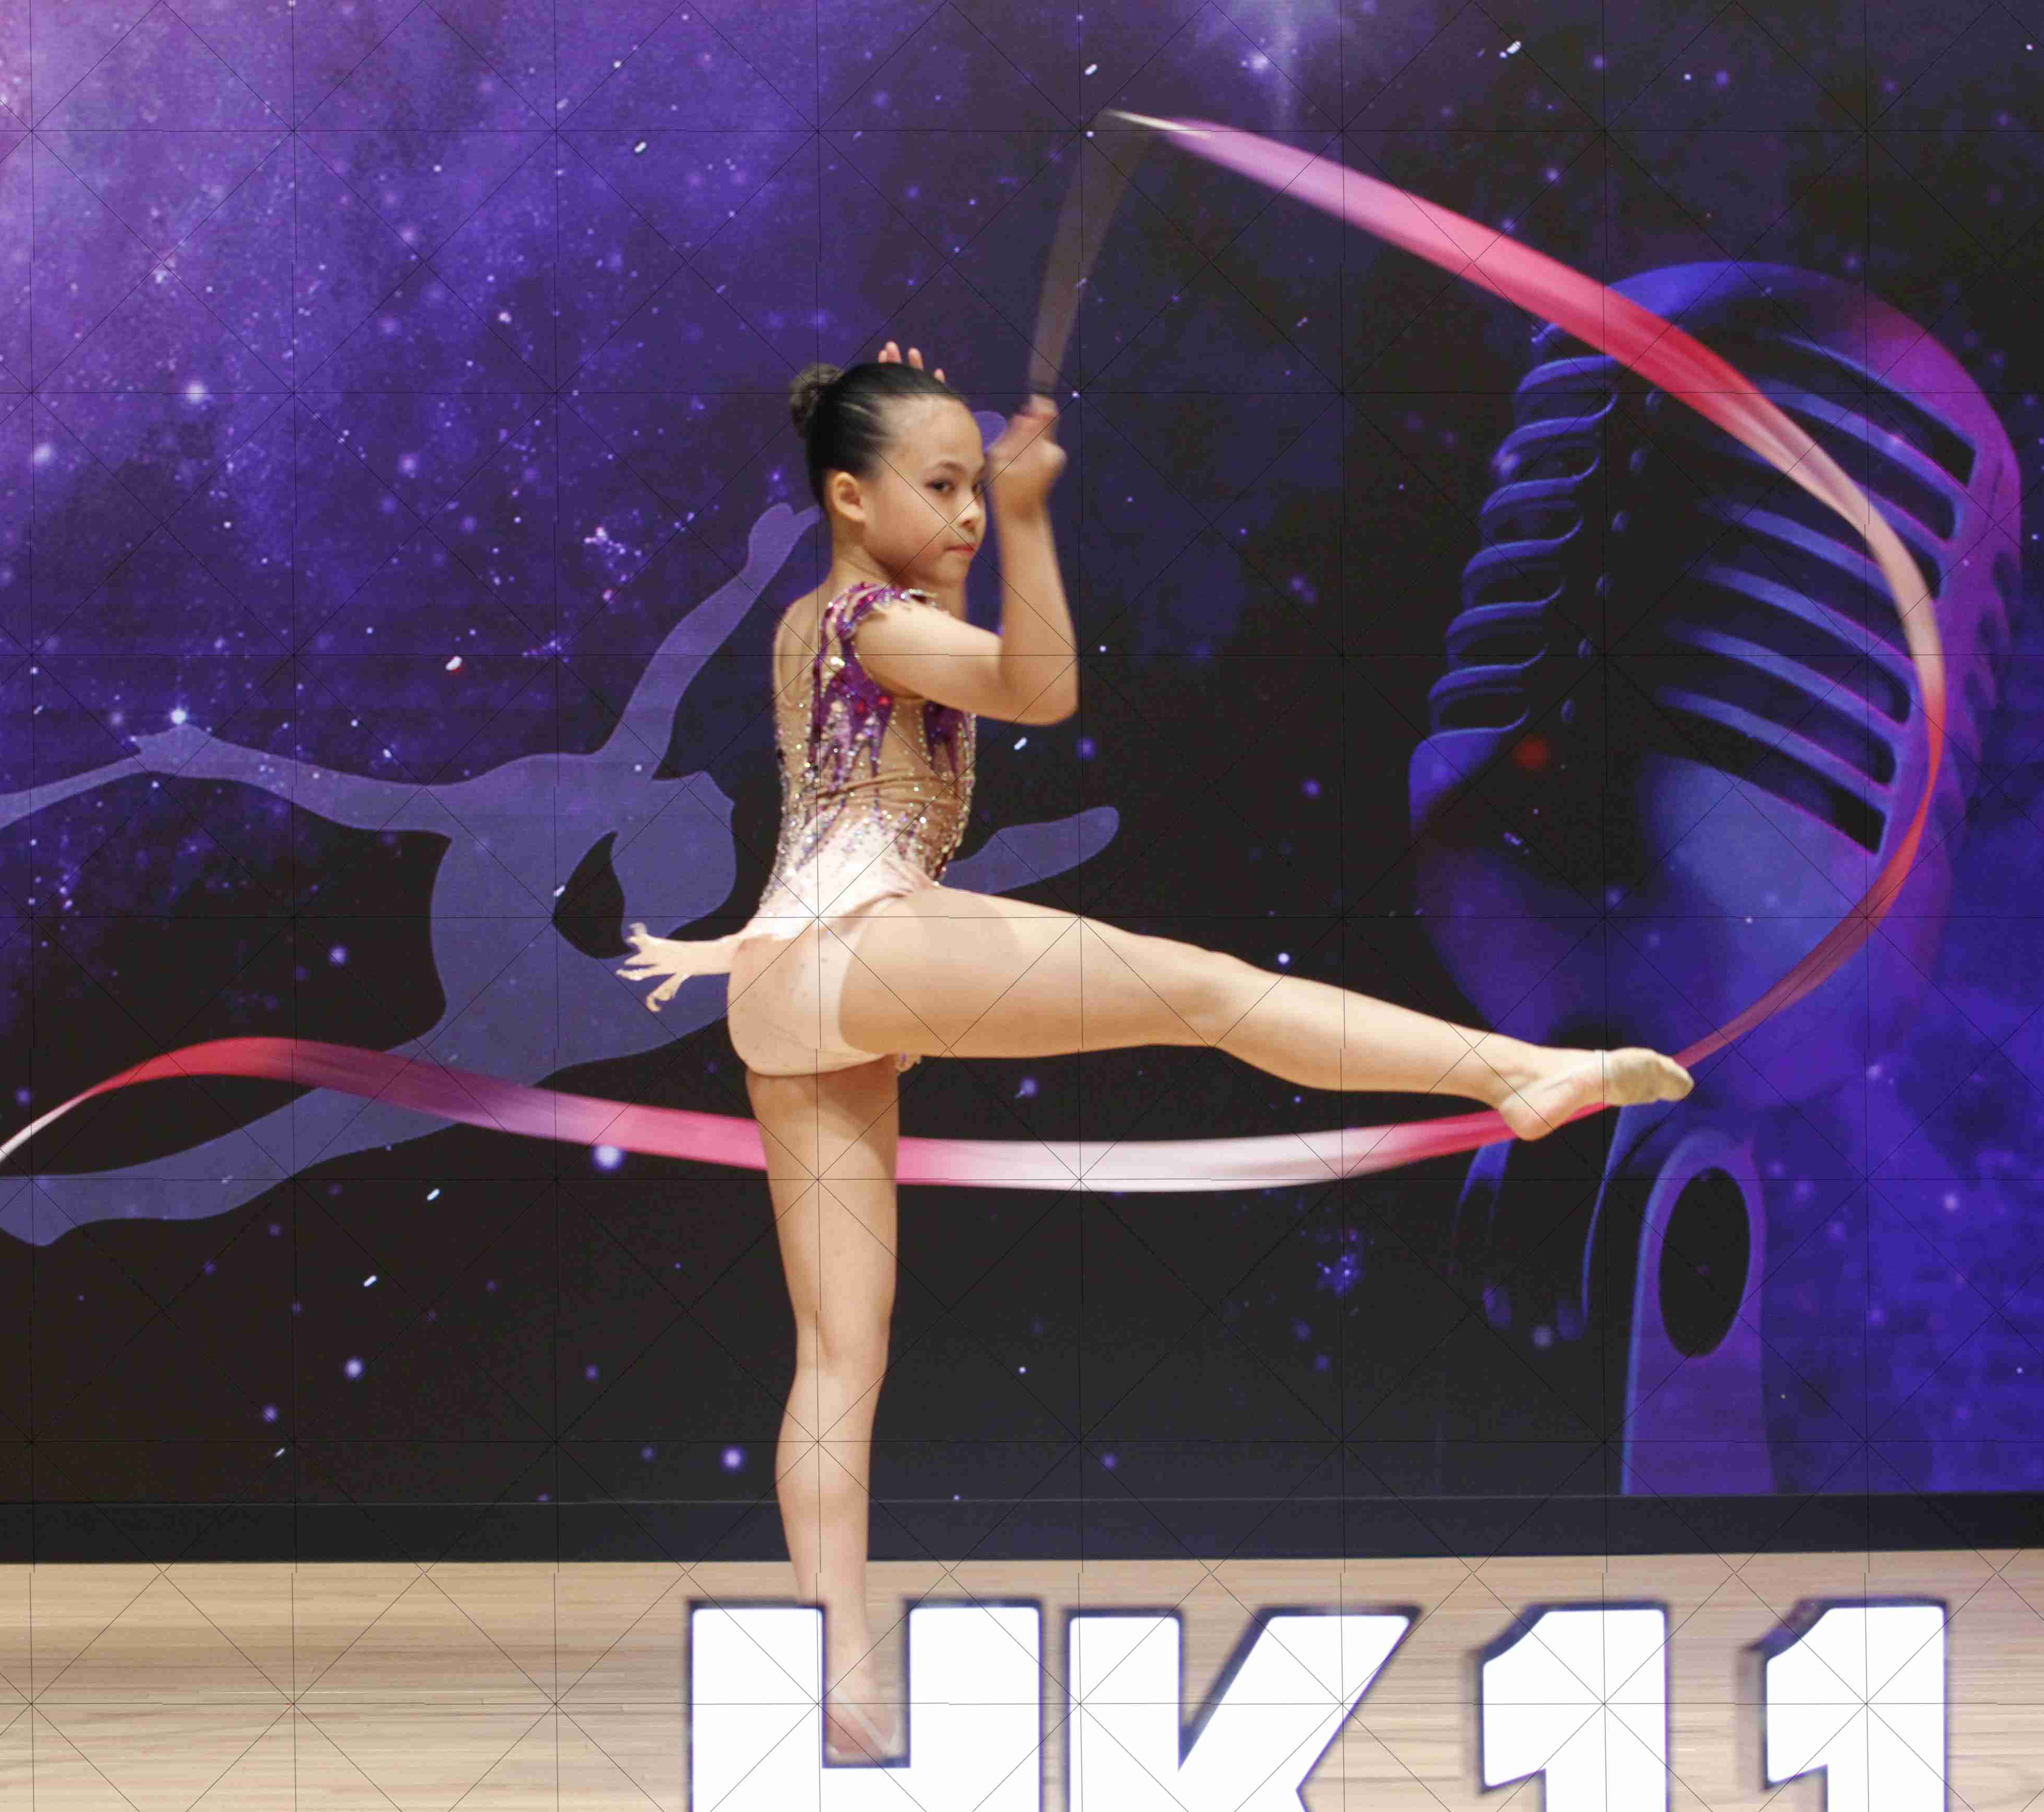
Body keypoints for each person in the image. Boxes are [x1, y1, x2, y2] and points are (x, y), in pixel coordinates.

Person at [618, 342, 1694, 1762]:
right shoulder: (877, 626)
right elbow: (1039, 686)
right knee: (1211, 991)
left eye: (972, 485)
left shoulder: (824, 619)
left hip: (787, 987)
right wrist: (1029, 520)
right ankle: (1511, 1072)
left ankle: (848, 1681)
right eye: (938, 487)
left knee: (840, 1354)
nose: (964, 508)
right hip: (855, 945)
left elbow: (950, 650)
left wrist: (929, 446)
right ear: (847, 498)